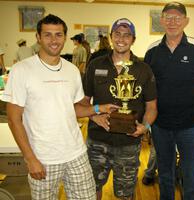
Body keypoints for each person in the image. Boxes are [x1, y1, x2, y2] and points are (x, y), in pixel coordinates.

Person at [0, 14, 111, 199]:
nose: (54, 40)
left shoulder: (72, 70)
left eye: (58, 35)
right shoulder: (22, 70)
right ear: (38, 37)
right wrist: (30, 158)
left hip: (76, 153)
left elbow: (73, 108)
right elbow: (13, 118)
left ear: (65, 37)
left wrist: (98, 109)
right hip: (43, 158)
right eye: (48, 35)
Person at [144, 2, 194, 200]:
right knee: (165, 176)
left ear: (186, 21)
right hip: (161, 126)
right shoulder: (152, 52)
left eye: (178, 18)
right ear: (161, 21)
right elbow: (145, 88)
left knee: (192, 178)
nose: (172, 22)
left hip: (191, 128)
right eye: (168, 17)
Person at [83, 18, 157, 200]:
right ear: (111, 36)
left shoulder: (143, 69)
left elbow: (152, 107)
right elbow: (82, 102)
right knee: (92, 188)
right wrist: (94, 116)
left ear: (133, 39)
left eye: (127, 35)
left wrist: (145, 127)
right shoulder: (96, 65)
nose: (121, 38)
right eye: (117, 34)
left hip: (128, 144)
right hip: (97, 141)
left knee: (126, 194)